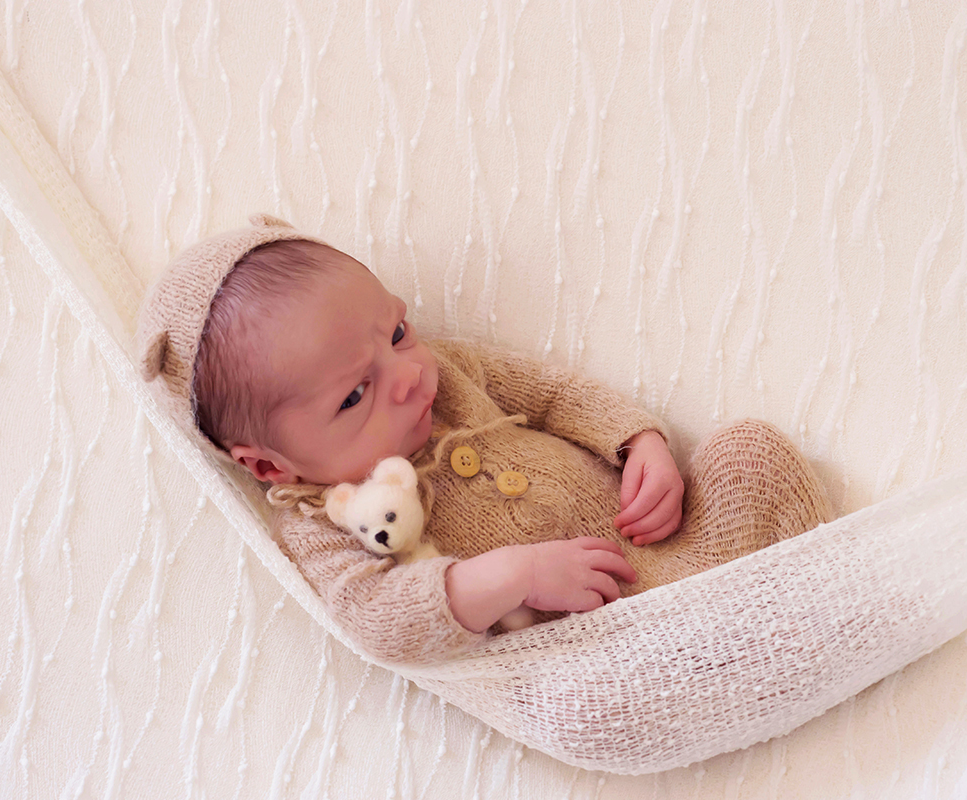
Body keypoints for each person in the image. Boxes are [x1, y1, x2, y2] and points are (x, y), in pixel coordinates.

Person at [137, 215, 832, 664]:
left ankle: (831, 596)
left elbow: (557, 395)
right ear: (267, 463)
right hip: (595, 642)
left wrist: (638, 444)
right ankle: (751, 659)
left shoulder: (454, 368)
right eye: (356, 394)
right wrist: (514, 576)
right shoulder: (320, 516)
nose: (408, 376)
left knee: (750, 451)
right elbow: (372, 618)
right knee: (580, 713)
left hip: (671, 544)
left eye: (398, 332)